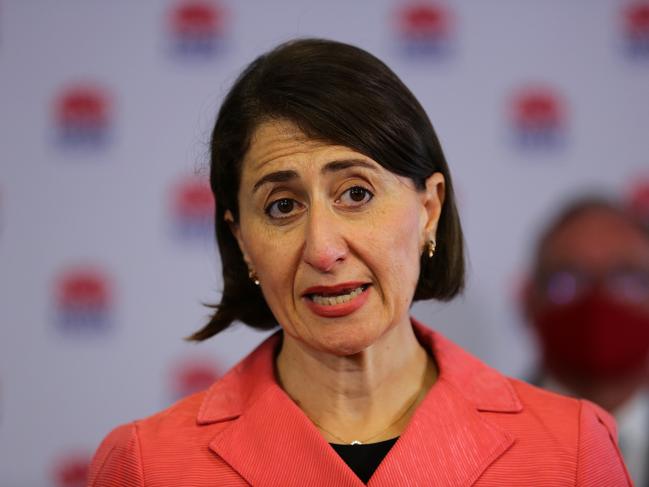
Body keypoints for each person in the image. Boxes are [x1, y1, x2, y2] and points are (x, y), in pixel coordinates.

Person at [87, 39, 631, 486]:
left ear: (428, 209)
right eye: (282, 206)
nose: (323, 249)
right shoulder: (147, 466)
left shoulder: (572, 451)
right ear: (243, 240)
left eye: (356, 194)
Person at [523, 196, 649, 486]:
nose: (599, 299)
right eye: (567, 281)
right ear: (529, 300)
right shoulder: (471, 444)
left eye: (627, 279)